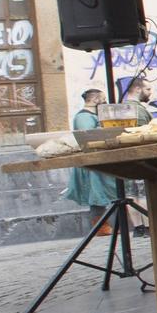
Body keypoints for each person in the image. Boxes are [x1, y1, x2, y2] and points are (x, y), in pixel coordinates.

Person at [63, 89, 124, 233]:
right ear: (95, 99)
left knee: (103, 193)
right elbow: (89, 137)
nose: (104, 102)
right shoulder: (83, 117)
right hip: (91, 162)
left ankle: (113, 225)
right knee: (96, 195)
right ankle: (100, 226)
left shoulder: (92, 115)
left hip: (99, 159)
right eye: (103, 99)